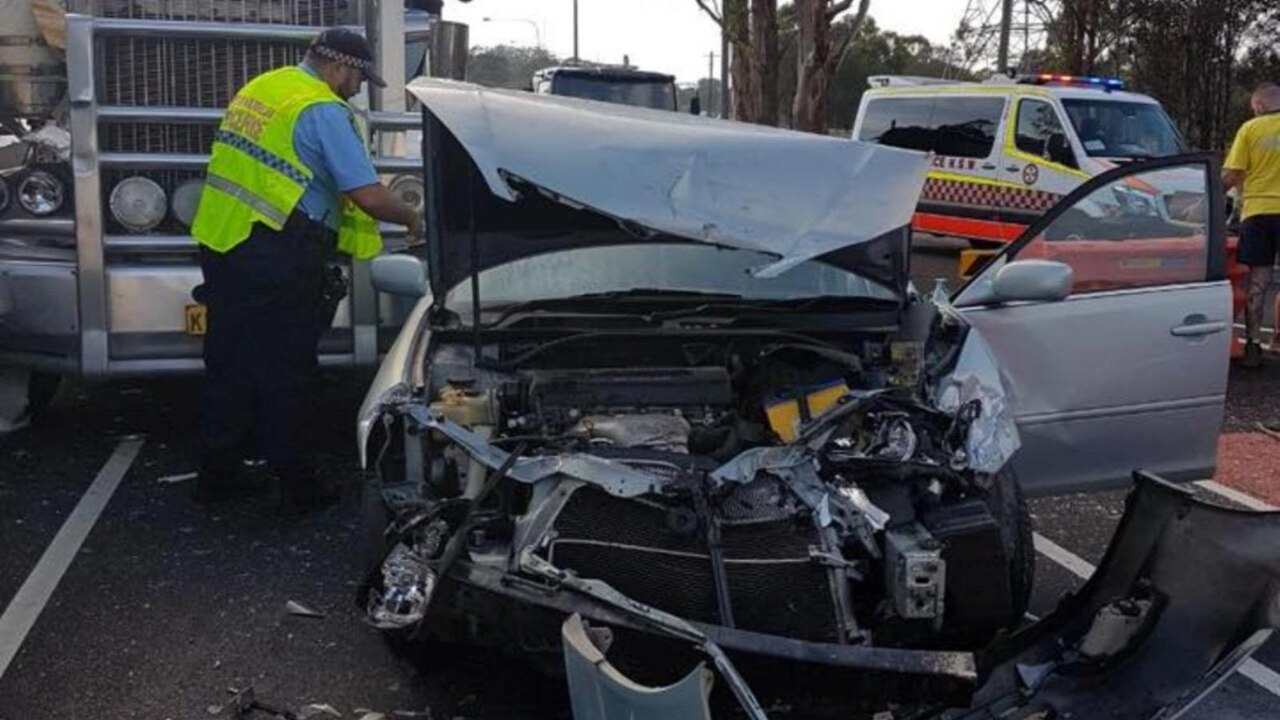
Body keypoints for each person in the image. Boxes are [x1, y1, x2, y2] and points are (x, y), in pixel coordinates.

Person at [189, 28, 423, 513]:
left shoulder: (265, 87)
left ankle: (217, 478)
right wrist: (414, 217)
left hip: (223, 240)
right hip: (278, 253)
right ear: (339, 67)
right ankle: (298, 486)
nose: (358, 87)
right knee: (287, 371)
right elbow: (367, 194)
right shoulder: (322, 109)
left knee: (229, 366)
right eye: (358, 76)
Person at [1224, 82, 1280, 368]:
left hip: (1257, 213)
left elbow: (1233, 174)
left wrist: (1210, 198)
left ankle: (1254, 345)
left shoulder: (1250, 129)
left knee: (1258, 283)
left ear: (1259, 105)